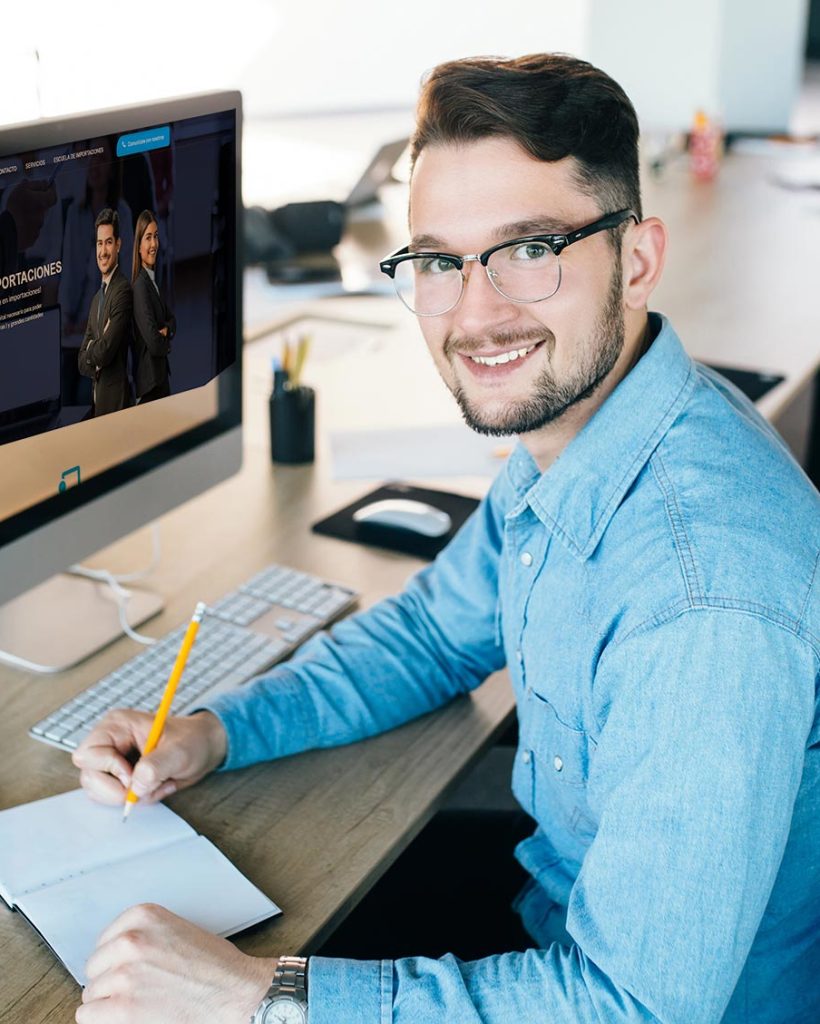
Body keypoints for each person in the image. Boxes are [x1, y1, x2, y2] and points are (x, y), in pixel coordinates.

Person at [72, 54, 819, 1024]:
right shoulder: (588, 429)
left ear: (635, 259)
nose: (475, 312)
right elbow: (431, 632)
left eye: (528, 248)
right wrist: (216, 731)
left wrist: (261, 998)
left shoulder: (700, 599)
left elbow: (633, 1006)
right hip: (551, 918)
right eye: (436, 261)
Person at [77, 208, 134, 415]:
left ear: (118, 244)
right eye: (99, 243)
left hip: (116, 404)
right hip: (98, 404)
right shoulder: (95, 300)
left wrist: (93, 348)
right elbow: (81, 362)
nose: (103, 251)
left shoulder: (123, 291)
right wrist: (95, 352)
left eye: (108, 242)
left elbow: (106, 351)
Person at [131, 209, 175, 403]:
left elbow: (173, 320)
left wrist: (166, 330)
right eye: (148, 237)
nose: (154, 244)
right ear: (139, 246)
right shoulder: (140, 287)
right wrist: (166, 336)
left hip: (160, 379)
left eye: (156, 237)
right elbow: (154, 343)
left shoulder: (152, 281)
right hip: (150, 386)